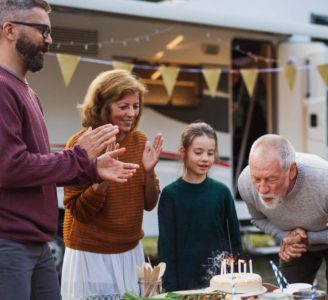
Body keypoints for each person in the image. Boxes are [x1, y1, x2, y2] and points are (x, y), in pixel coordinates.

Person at [0, 1, 140, 299]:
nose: (49, 40)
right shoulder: (2, 88)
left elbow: (36, 165)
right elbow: (9, 167)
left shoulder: (26, 91)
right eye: (42, 30)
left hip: (37, 244)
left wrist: (90, 170)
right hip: (9, 245)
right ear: (9, 30)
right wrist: (78, 156)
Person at [60, 70, 164, 300]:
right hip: (90, 255)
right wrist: (103, 182)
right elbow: (79, 211)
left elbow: (149, 204)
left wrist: (148, 173)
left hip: (130, 252)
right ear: (103, 106)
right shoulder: (82, 144)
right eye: (123, 106)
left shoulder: (140, 141)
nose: (132, 114)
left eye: (135, 106)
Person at [237, 134, 328, 300]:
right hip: (297, 245)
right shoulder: (245, 182)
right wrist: (287, 237)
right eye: (256, 179)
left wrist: (309, 238)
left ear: (291, 171)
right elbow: (258, 219)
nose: (262, 189)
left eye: (271, 179)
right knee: (287, 297)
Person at [158, 122, 242, 292]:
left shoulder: (222, 192)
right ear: (183, 152)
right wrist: (171, 289)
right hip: (185, 283)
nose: (205, 158)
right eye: (198, 152)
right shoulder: (170, 195)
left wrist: (239, 277)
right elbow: (166, 247)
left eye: (210, 153)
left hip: (221, 280)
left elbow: (235, 241)